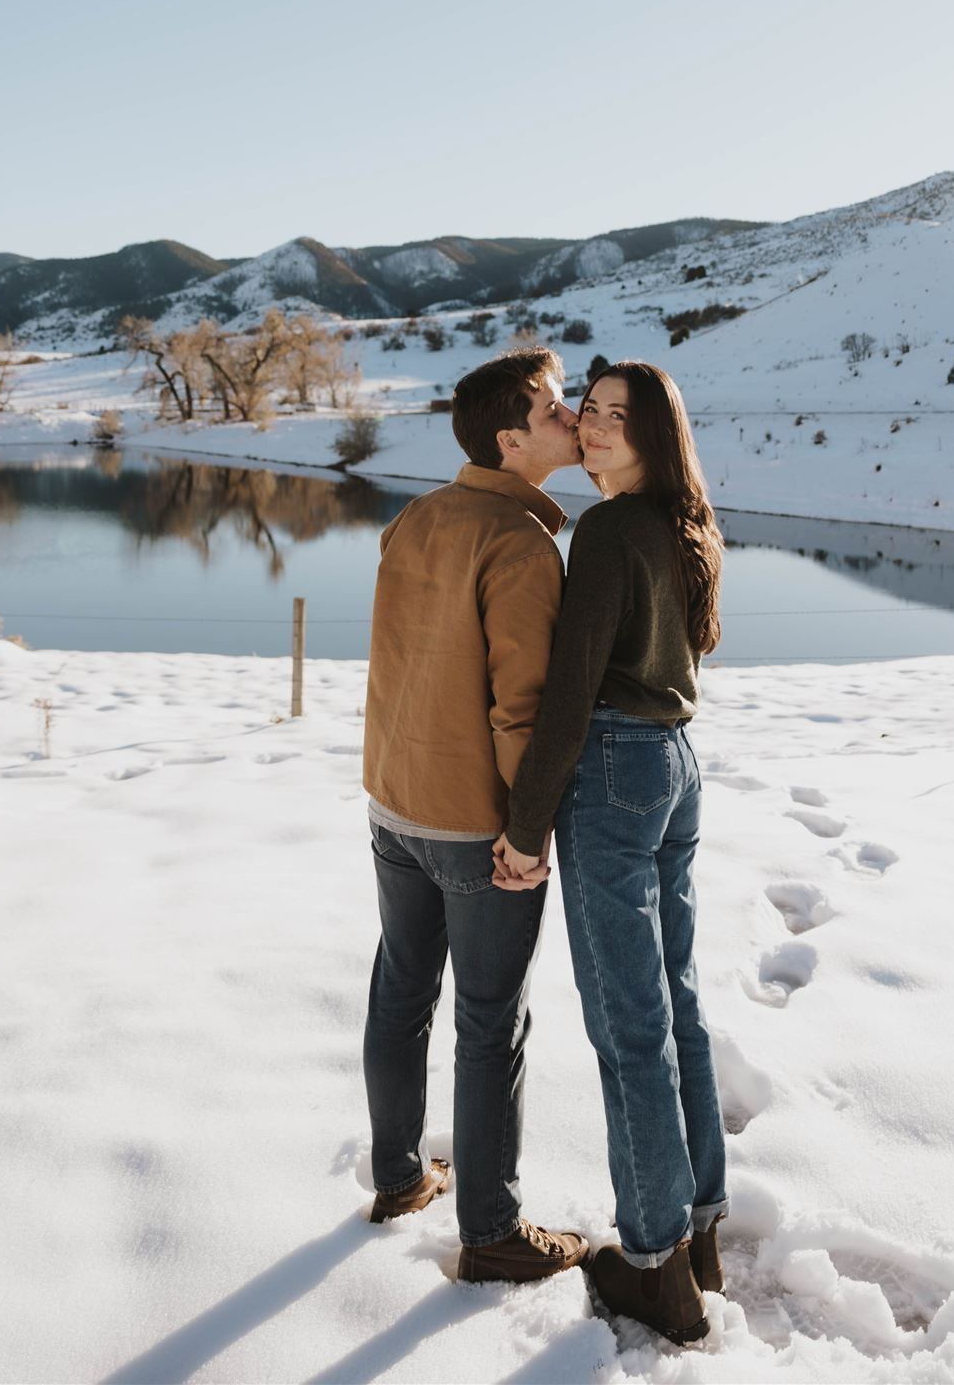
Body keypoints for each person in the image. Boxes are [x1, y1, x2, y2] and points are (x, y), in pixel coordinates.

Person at [496, 362, 728, 1345]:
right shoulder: (686, 521)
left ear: (654, 433)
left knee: (631, 1025)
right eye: (586, 411)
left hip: (618, 772)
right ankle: (700, 1224)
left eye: (614, 417)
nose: (591, 428)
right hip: (676, 762)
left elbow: (571, 688)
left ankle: (653, 1266)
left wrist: (525, 823)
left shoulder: (606, 529)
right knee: (675, 999)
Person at [360, 348, 589, 1284]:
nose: (570, 415)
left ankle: (400, 1178)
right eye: (553, 407)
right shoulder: (521, 544)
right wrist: (525, 832)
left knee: (402, 995)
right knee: (490, 1024)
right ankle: (491, 1231)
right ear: (510, 439)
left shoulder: (419, 515)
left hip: (394, 804)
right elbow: (520, 708)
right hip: (472, 826)